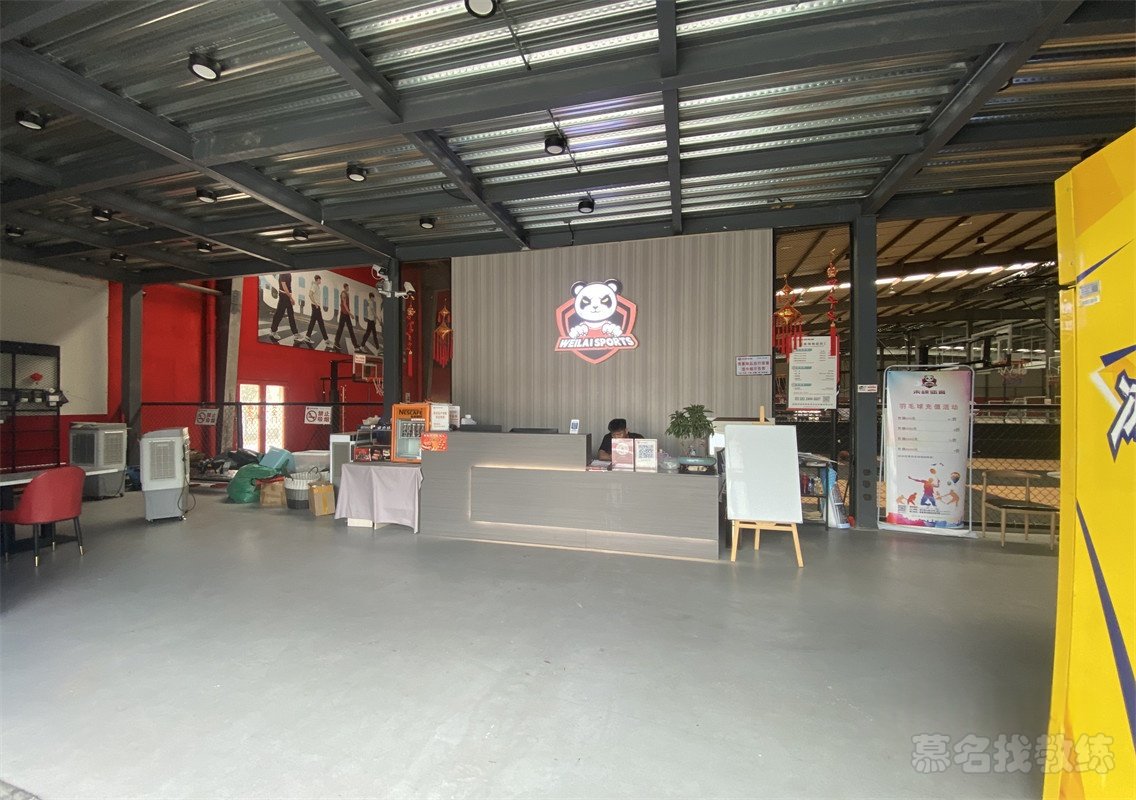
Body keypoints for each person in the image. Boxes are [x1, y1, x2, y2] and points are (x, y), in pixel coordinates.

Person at [269, 272, 298, 341]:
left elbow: (287, 286)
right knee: (279, 314)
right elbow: (284, 286)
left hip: (286, 295)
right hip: (283, 296)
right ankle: (273, 331)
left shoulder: (288, 273)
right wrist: (291, 298)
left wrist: (290, 297)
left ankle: (296, 334)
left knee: (290, 315)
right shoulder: (283, 273)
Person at [333, 282, 359, 352]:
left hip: (346, 314)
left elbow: (344, 304)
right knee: (341, 329)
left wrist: (348, 313)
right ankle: (336, 342)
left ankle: (355, 345)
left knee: (350, 329)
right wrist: (350, 314)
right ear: (346, 287)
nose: (348, 288)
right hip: (344, 314)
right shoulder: (344, 293)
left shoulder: (346, 294)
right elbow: (344, 304)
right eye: (348, 287)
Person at [305, 274, 328, 344]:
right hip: (316, 307)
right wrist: (315, 304)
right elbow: (310, 294)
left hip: (316, 306)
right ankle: (326, 339)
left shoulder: (316, 286)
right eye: (320, 280)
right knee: (321, 323)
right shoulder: (315, 286)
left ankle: (307, 337)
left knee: (312, 322)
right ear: (318, 280)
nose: (320, 281)